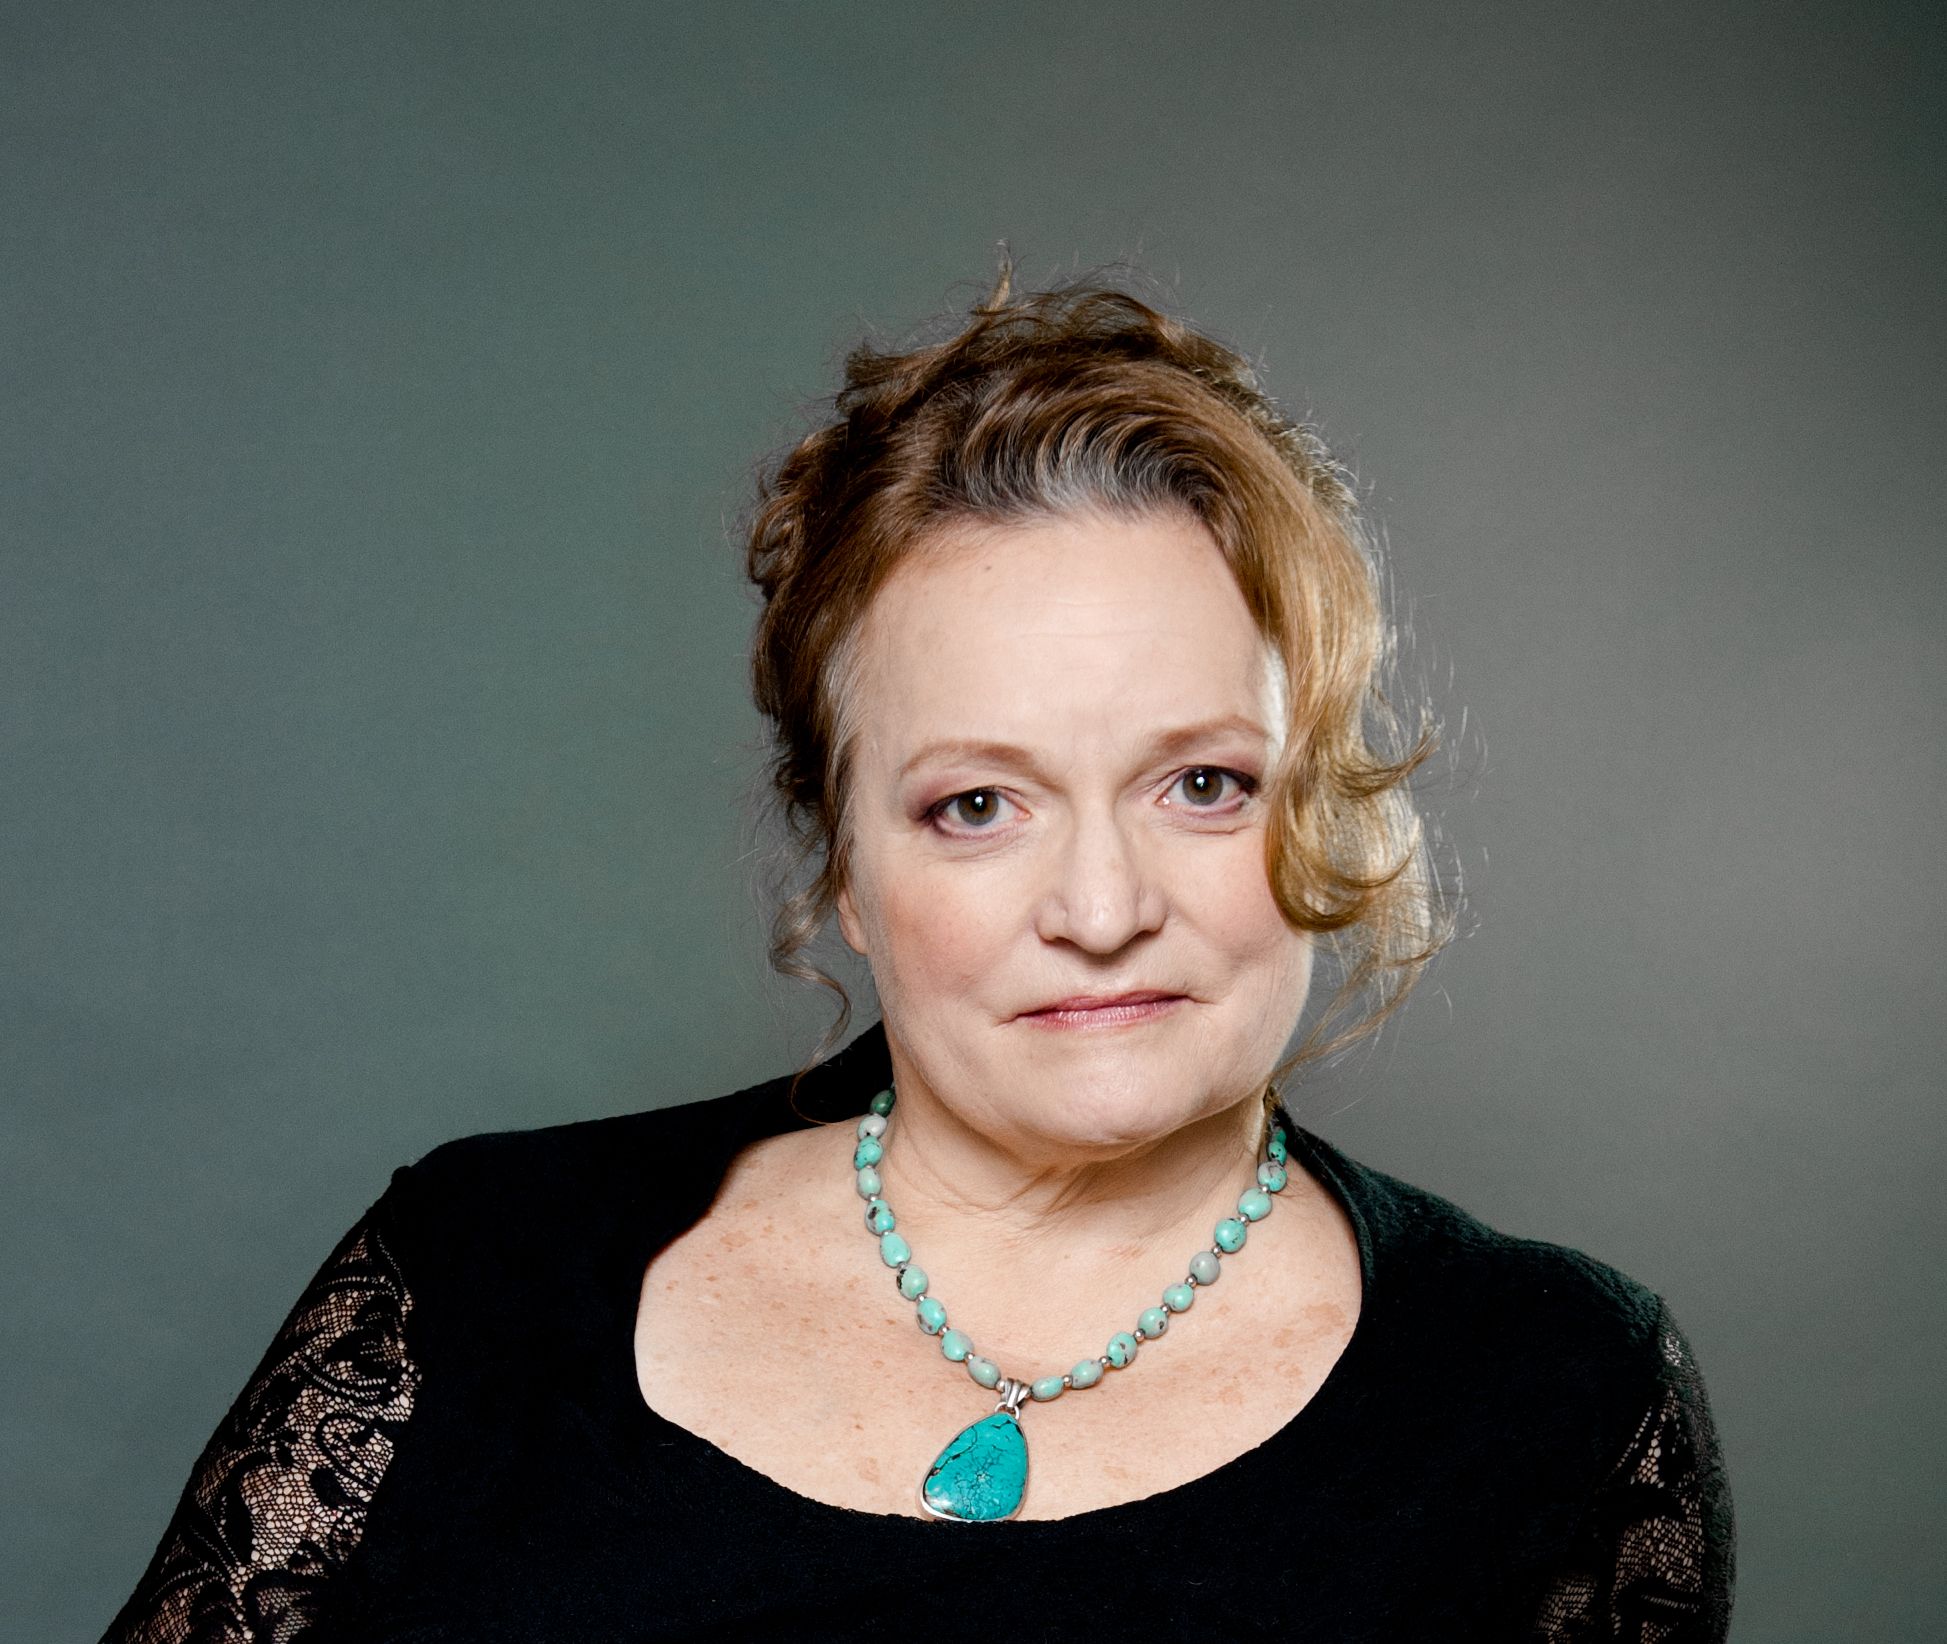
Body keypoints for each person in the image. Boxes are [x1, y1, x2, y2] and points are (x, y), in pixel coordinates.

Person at [102, 267, 1734, 1641]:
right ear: (848, 871)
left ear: (1322, 799)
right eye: (976, 806)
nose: (1100, 906)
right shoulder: (475, 1273)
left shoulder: (1560, 1390)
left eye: (1202, 783)